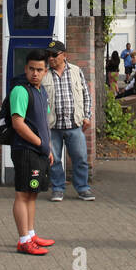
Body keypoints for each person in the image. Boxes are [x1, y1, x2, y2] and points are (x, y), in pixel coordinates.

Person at [8, 49, 56, 255]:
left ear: (45, 71)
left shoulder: (41, 91)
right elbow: (18, 124)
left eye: (39, 69)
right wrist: (40, 144)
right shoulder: (20, 90)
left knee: (33, 193)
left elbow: (43, 123)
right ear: (25, 69)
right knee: (22, 194)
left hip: (39, 152)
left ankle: (31, 233)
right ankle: (23, 240)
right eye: (31, 69)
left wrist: (49, 149)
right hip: (25, 151)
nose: (35, 73)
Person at [42, 40, 97, 202]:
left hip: (74, 125)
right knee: (55, 160)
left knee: (80, 158)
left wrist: (87, 116)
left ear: (64, 55)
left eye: (54, 55)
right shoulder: (44, 74)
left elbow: (86, 95)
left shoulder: (76, 71)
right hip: (52, 127)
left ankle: (83, 188)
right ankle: (58, 189)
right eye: (48, 55)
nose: (50, 58)